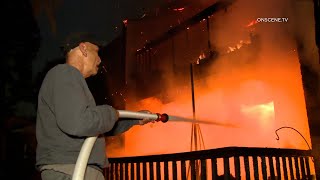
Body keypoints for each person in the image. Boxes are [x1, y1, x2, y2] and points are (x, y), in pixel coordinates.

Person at [35, 32, 153, 180]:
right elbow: (78, 123)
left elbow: (94, 126)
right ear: (83, 48)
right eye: (96, 52)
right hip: (70, 170)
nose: (100, 59)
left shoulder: (70, 80)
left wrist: (135, 119)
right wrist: (110, 112)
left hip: (77, 169)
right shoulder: (65, 74)